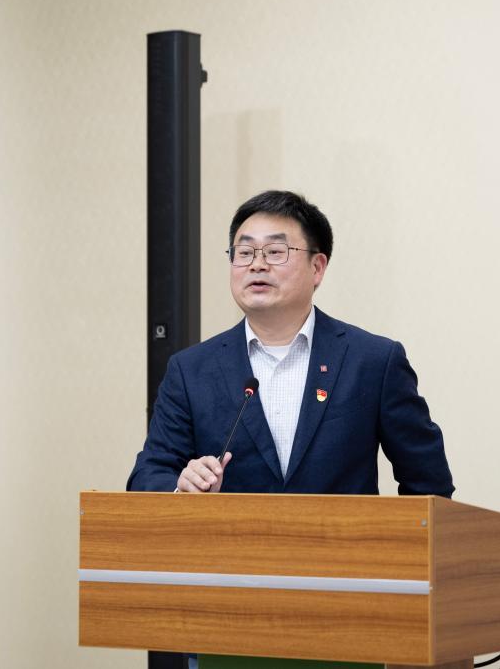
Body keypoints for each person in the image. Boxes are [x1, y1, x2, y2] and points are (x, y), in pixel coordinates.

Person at [127, 190, 453, 497]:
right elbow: (148, 475)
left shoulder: (373, 361)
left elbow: (429, 484)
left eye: (275, 252)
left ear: (317, 267)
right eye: (244, 253)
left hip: (342, 541)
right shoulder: (191, 370)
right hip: (233, 541)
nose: (257, 264)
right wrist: (182, 488)